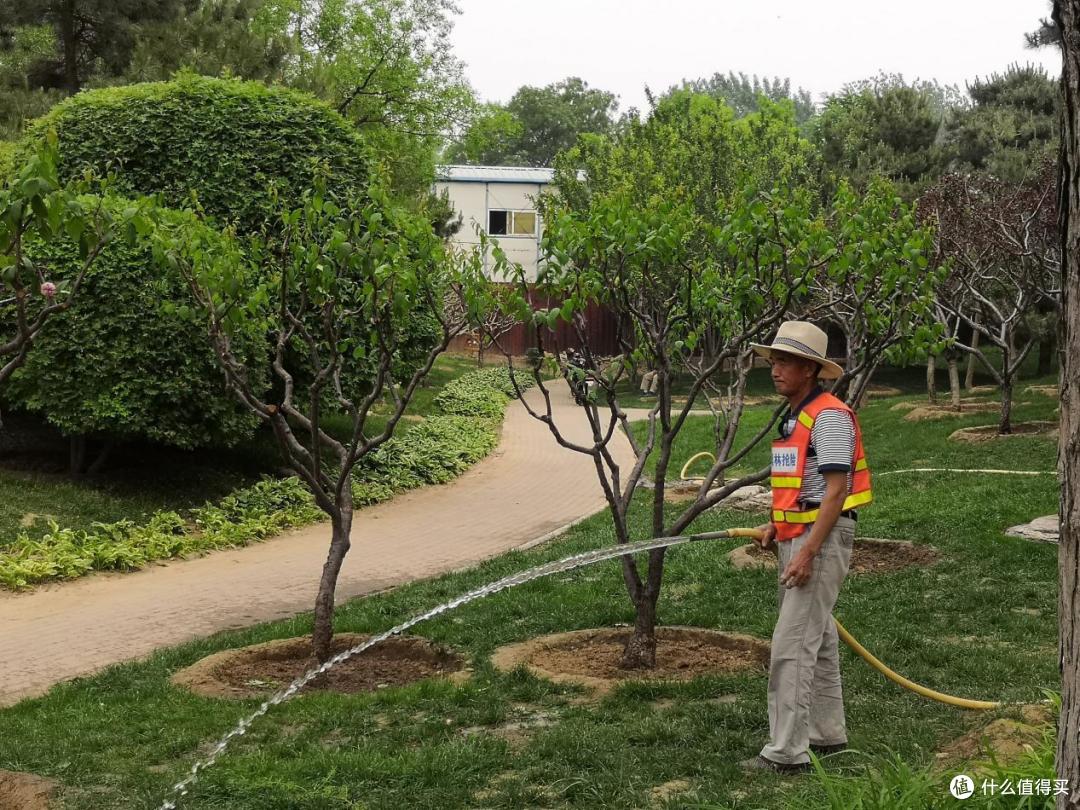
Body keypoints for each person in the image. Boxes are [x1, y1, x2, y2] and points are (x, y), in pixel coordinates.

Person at [739, 321, 873, 774]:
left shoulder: (830, 416)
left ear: (811, 369)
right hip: (800, 536)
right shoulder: (795, 415)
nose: (775, 369)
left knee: (791, 644)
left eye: (785, 362)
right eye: (773, 360)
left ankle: (785, 753)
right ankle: (826, 733)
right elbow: (804, 488)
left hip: (821, 540)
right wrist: (778, 526)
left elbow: (835, 493)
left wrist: (808, 551)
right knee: (820, 638)